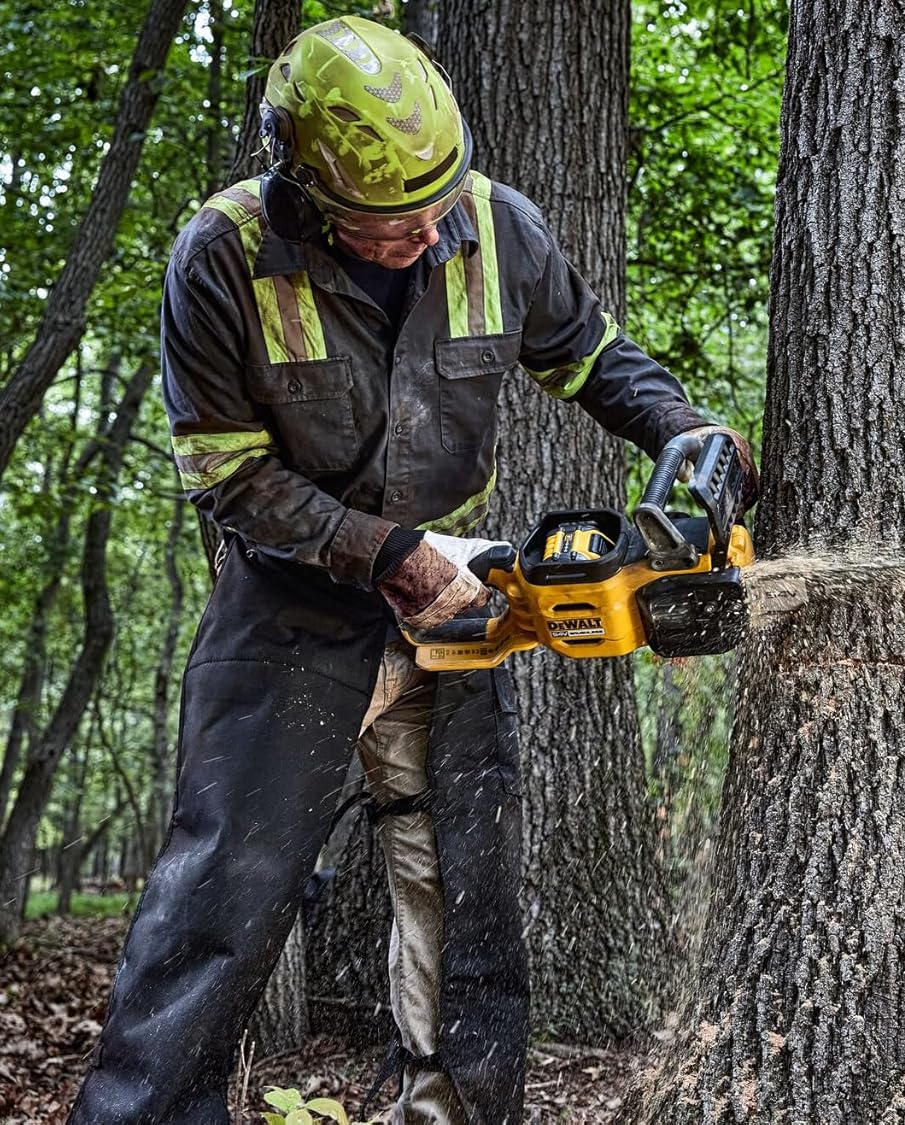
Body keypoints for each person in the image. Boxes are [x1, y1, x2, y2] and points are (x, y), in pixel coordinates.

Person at [69, 15, 756, 1124]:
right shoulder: (224, 257)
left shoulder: (499, 226)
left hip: (464, 587)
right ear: (304, 190)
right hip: (292, 598)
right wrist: (389, 559)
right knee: (224, 889)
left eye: (437, 205)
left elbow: (592, 357)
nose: (427, 232)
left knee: (466, 882)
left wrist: (685, 430)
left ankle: (457, 1110)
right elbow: (228, 474)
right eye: (391, 222)